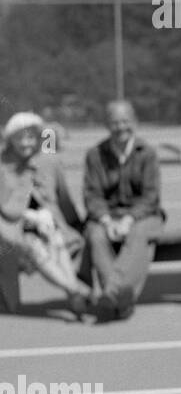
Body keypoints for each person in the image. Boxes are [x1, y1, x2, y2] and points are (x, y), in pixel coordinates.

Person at [0, 112, 94, 317]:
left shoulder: (43, 161)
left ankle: (74, 294)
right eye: (21, 138)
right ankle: (75, 290)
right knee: (36, 246)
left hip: (40, 228)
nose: (26, 143)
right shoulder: (4, 165)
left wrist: (61, 221)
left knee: (57, 239)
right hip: (10, 231)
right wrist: (32, 216)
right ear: (10, 139)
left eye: (31, 138)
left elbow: (59, 198)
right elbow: (9, 210)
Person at [81, 100, 166, 322]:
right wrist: (107, 220)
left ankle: (110, 291)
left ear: (135, 122)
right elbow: (92, 195)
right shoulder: (95, 155)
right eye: (115, 122)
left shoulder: (147, 153)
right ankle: (121, 299)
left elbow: (151, 196)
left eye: (125, 121)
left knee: (139, 234)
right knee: (96, 236)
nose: (120, 127)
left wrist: (129, 218)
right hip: (107, 216)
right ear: (107, 125)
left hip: (144, 215)